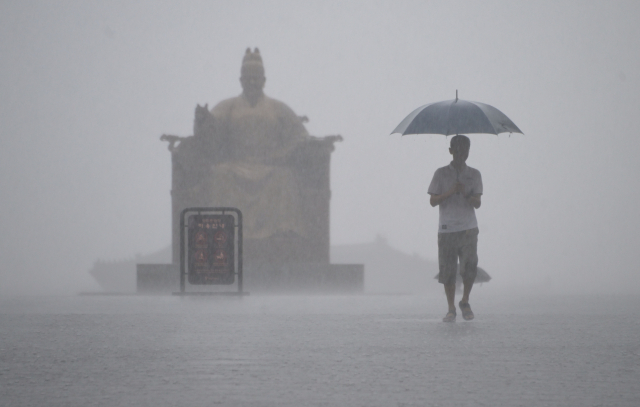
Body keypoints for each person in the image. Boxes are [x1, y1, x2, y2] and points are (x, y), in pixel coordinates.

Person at [428, 135, 482, 322]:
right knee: (448, 270)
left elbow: (478, 203)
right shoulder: (440, 173)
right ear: (451, 151)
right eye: (457, 150)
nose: (461, 154)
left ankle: (465, 300)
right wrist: (451, 191)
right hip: (447, 228)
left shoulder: (474, 174)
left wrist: (466, 193)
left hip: (468, 227)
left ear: (468, 152)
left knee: (470, 267)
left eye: (464, 151)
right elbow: (433, 201)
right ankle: (451, 307)